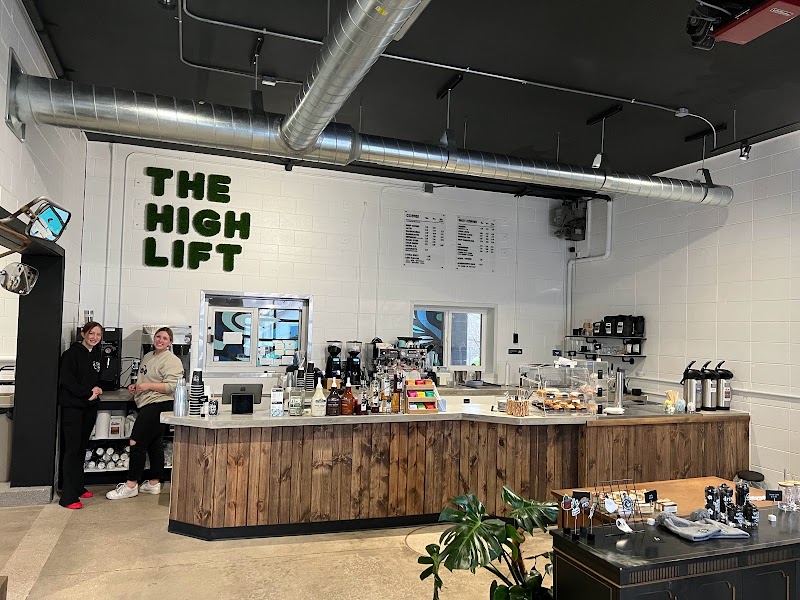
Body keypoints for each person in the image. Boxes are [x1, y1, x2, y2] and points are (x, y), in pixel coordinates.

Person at [106, 327, 183, 500]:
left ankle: (131, 484)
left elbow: (173, 386)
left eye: (165, 338)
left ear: (170, 342)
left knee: (136, 441)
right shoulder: (148, 356)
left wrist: (147, 386)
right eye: (158, 336)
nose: (160, 340)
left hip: (159, 404)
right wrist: (137, 387)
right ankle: (154, 483)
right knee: (155, 443)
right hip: (147, 402)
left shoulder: (172, 360)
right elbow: (146, 379)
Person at [58, 321, 104, 509]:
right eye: (91, 333)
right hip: (74, 407)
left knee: (81, 448)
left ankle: (77, 487)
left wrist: (98, 388)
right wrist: (87, 393)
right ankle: (67, 496)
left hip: (89, 407)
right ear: (83, 334)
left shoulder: (96, 354)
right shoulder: (71, 354)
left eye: (98, 335)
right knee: (72, 449)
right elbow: (67, 381)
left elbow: (95, 378)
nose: (94, 337)